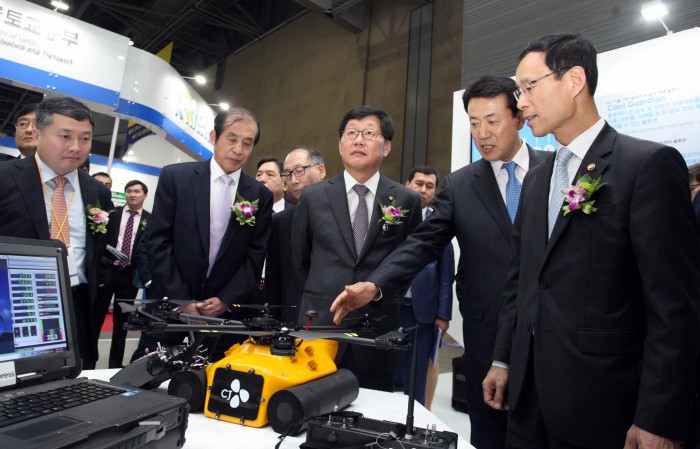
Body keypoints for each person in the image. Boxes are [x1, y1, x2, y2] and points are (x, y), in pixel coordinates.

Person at [477, 33, 700, 448]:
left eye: (529, 87)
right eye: (518, 91)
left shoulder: (645, 166)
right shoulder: (538, 179)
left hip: (603, 405)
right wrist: (503, 358)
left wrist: (658, 417)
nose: (521, 103)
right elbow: (522, 281)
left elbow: (674, 306)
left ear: (574, 80)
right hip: (527, 402)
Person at [330, 74, 548, 449]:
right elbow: (422, 243)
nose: (482, 134)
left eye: (492, 121)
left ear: (519, 118)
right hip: (487, 333)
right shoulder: (460, 185)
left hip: (550, 331)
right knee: (490, 432)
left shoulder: (556, 169)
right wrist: (375, 284)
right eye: (474, 124)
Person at [292, 105, 422, 392]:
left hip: (377, 327)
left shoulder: (406, 199)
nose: (359, 140)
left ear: (387, 147)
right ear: (340, 144)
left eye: (369, 133)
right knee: (310, 401)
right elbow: (300, 262)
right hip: (320, 326)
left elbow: (410, 261)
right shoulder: (313, 197)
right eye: (351, 133)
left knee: (373, 407)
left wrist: (379, 293)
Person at [145, 106, 272, 357]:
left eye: (247, 143)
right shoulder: (176, 178)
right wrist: (181, 299)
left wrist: (226, 298)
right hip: (171, 308)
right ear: (214, 137)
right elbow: (158, 242)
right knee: (157, 372)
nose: (238, 149)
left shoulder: (259, 194)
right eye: (232, 139)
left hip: (222, 317)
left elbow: (255, 255)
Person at [0, 96, 113, 369]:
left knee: (74, 376)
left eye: (85, 138)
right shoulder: (5, 178)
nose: (76, 147)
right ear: (38, 133)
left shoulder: (97, 192)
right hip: (16, 306)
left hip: (77, 304)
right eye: (65, 136)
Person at [396, 165, 454, 407]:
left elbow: (446, 274)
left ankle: (416, 420)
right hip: (391, 307)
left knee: (418, 373)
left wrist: (443, 315)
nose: (423, 190)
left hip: (423, 313)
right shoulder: (392, 217)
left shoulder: (438, 223)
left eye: (430, 186)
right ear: (407, 184)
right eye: (418, 183)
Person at [265, 146, 326, 322]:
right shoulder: (280, 221)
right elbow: (274, 282)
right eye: (287, 174)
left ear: (321, 170)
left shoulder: (344, 212)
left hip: (334, 318)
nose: (293, 180)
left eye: (299, 171)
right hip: (292, 319)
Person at [97, 180, 150, 368]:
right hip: (108, 270)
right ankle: (89, 361)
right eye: (129, 191)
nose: (132, 195)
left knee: (122, 323)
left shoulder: (150, 220)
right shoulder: (113, 214)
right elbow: (101, 238)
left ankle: (114, 366)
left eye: (136, 191)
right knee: (97, 317)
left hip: (129, 276)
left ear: (145, 195)